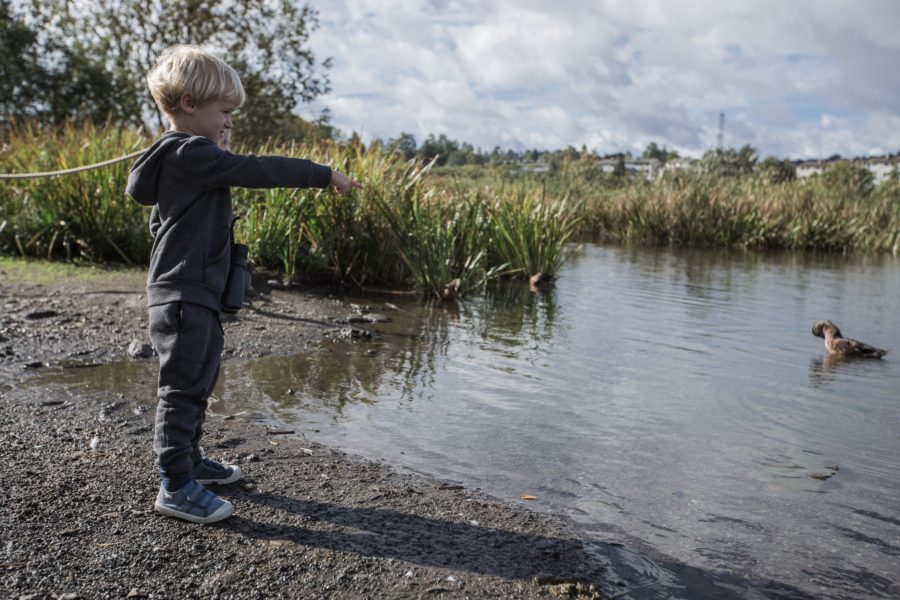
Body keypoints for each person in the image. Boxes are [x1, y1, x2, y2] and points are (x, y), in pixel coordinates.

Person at [126, 44, 361, 524]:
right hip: (185, 294)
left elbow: (159, 228)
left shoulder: (181, 160)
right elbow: (257, 169)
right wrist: (324, 174)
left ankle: (189, 463)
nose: (229, 123)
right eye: (224, 112)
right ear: (189, 104)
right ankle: (175, 485)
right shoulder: (192, 152)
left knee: (200, 377)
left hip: (189, 292)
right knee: (183, 388)